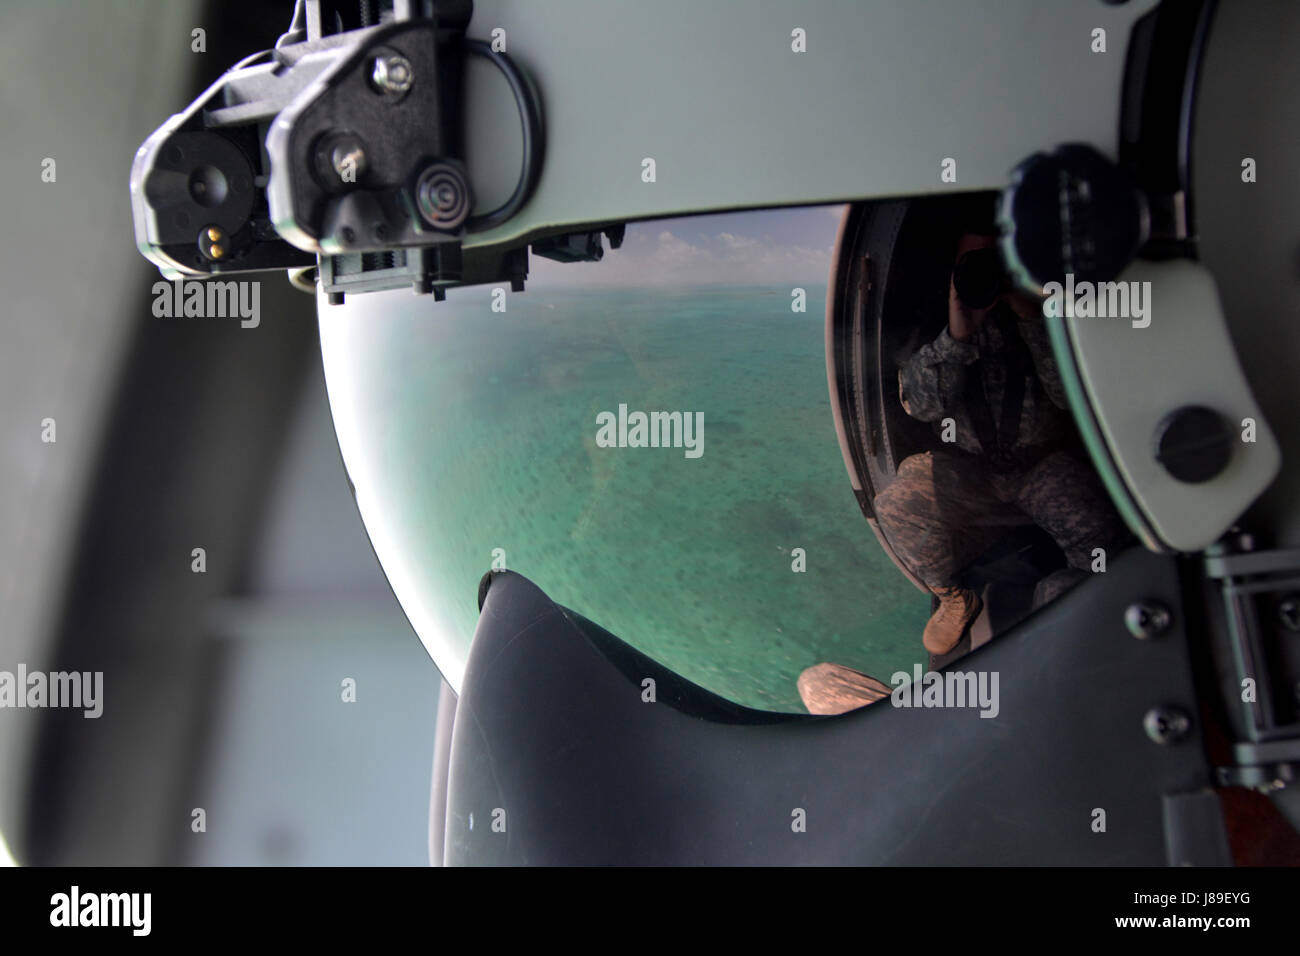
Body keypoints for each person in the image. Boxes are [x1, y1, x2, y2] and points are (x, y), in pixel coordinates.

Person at [797, 231, 1126, 715]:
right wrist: (956, 336)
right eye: (974, 266)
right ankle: (954, 598)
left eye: (1001, 263)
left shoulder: (1055, 321)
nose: (988, 277)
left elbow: (1072, 399)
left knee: (1101, 543)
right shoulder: (942, 329)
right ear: (953, 276)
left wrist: (1032, 317)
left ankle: (1068, 615)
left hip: (1043, 465)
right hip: (974, 471)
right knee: (898, 502)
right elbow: (920, 407)